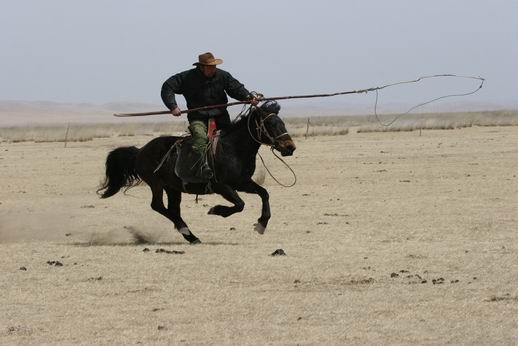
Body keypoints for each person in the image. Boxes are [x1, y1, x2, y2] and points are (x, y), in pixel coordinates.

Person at [161, 52, 258, 181]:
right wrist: (172, 106)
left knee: (231, 140)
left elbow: (236, 88)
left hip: (221, 116)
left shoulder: (223, 76)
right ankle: (203, 166)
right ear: (201, 67)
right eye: (210, 67)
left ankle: (234, 169)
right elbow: (167, 87)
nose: (213, 69)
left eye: (214, 66)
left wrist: (248, 97)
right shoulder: (186, 77)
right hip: (198, 117)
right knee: (201, 138)